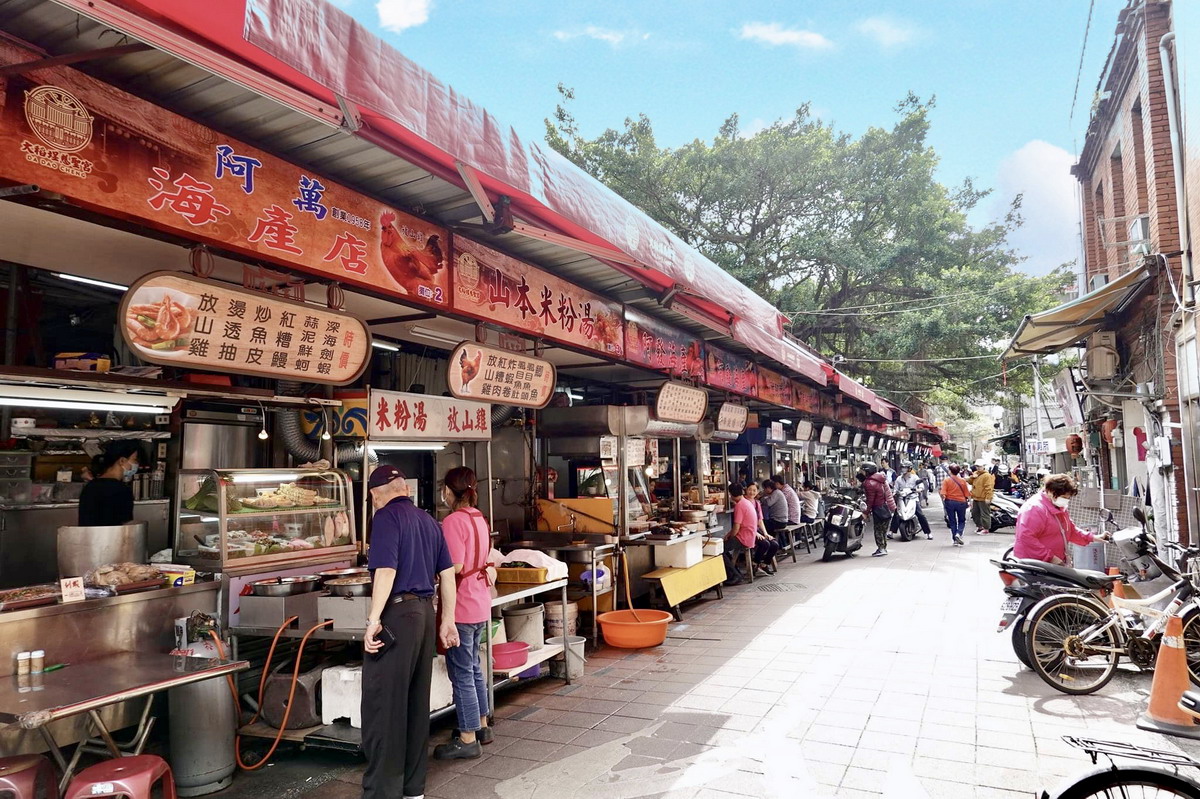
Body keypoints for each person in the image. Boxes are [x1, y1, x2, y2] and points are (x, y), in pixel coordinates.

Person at [362, 466, 459, 799]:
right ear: (404, 488)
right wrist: (447, 621)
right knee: (417, 704)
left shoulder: (387, 518)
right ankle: (412, 788)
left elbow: (386, 570)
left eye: (373, 497)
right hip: (425, 615)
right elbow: (447, 575)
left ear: (378, 493)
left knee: (384, 706)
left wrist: (373, 619)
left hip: (398, 616)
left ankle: (382, 792)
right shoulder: (430, 521)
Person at [433, 467, 497, 761]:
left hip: (461, 603)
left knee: (461, 673)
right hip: (480, 600)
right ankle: (482, 725)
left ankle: (468, 737)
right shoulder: (478, 517)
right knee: (473, 667)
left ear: (449, 491)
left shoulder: (453, 521)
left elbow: (455, 567)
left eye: (444, 489)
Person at [1013, 473, 1112, 564]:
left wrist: (1094, 538)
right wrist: (1050, 558)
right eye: (1064, 497)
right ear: (1050, 491)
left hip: (1051, 563)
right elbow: (1026, 538)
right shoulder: (1034, 509)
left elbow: (1069, 530)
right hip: (1034, 565)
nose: (1066, 500)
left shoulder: (1057, 507)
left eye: (1068, 498)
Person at [723, 483, 779, 584]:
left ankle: (735, 575)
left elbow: (736, 527)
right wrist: (728, 534)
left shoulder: (740, 505)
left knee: (720, 550)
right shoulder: (746, 502)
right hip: (749, 535)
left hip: (744, 538)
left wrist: (730, 536)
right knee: (724, 547)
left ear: (731, 494)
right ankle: (736, 572)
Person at [77, 440, 140, 526]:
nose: (136, 464)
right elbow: (126, 527)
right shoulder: (122, 490)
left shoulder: (90, 487)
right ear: (122, 460)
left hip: (89, 538)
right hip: (112, 538)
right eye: (134, 460)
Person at [745, 482, 781, 573]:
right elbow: (744, 523)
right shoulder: (744, 503)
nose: (752, 492)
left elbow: (760, 520)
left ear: (757, 492)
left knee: (775, 544)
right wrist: (755, 533)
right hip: (748, 531)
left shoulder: (757, 503)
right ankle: (754, 564)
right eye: (750, 489)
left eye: (754, 490)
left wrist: (765, 533)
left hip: (757, 529)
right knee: (765, 544)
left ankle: (764, 564)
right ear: (746, 490)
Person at [890, 463, 933, 540]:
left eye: (905, 468)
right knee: (896, 514)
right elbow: (895, 489)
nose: (903, 470)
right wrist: (894, 492)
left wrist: (918, 490)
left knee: (920, 515)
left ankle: (928, 533)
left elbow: (921, 487)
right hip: (902, 499)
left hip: (913, 498)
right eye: (902, 468)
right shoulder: (899, 479)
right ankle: (891, 532)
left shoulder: (915, 477)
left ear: (909, 469)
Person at [860, 464, 895, 557]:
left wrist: (866, 512)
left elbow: (870, 500)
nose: (862, 472)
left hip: (878, 508)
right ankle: (883, 548)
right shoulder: (881, 478)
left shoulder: (869, 483)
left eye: (863, 470)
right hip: (886, 506)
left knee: (878, 530)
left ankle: (881, 548)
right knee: (883, 530)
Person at [941, 464, 971, 546]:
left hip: (950, 502)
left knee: (952, 521)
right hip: (961, 502)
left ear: (950, 471)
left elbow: (943, 493)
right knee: (962, 520)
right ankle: (959, 533)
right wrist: (970, 502)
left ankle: (954, 539)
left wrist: (944, 500)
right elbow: (967, 493)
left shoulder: (946, 481)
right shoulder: (962, 481)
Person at [967, 461, 996, 535]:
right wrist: (972, 477)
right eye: (977, 466)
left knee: (984, 514)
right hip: (976, 497)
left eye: (980, 466)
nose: (978, 468)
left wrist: (988, 497)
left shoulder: (987, 475)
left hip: (983, 497)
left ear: (983, 466)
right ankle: (980, 527)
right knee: (975, 513)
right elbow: (970, 482)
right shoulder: (976, 474)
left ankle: (986, 528)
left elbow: (989, 487)